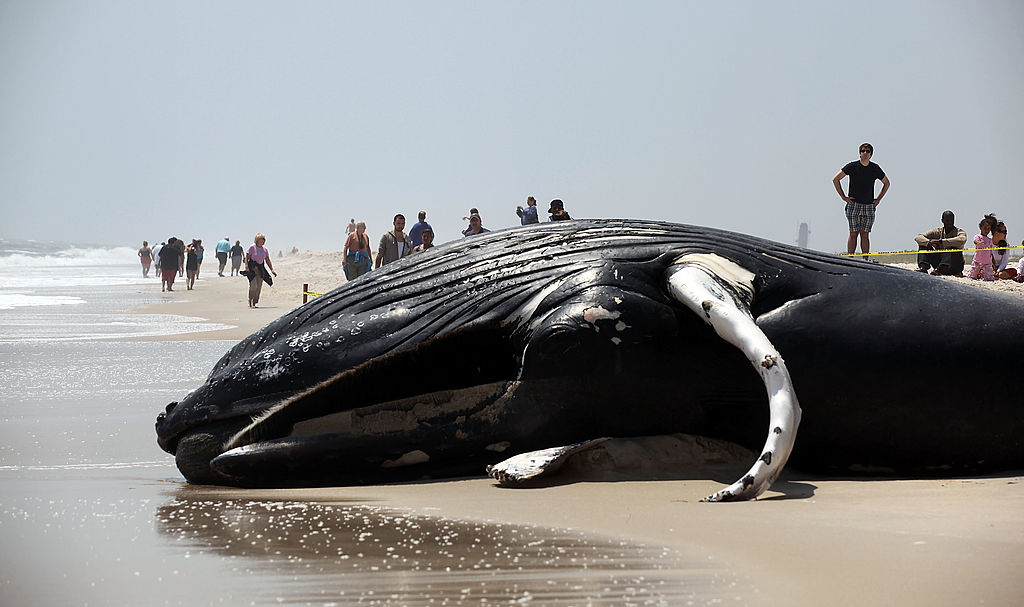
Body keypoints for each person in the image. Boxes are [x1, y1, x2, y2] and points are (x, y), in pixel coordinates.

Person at [832, 143, 891, 258]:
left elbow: (886, 183)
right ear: (859, 153)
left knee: (865, 234)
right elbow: (836, 179)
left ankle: (865, 259)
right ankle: (850, 259)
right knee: (853, 233)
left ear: (871, 154)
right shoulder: (852, 166)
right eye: (863, 151)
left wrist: (878, 199)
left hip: (869, 205)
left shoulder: (875, 168)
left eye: (867, 151)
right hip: (853, 204)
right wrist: (843, 197)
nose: (865, 153)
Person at [913, 211, 966, 276]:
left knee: (953, 248)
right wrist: (929, 242)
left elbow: (962, 240)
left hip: (954, 266)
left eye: (951, 220)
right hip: (938, 264)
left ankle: (940, 269)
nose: (949, 222)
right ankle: (923, 268)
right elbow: (918, 237)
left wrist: (941, 242)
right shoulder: (937, 232)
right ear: (942, 221)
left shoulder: (959, 231)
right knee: (923, 245)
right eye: (947, 220)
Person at [243, 233, 277, 307]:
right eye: (262, 240)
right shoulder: (252, 247)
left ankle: (255, 302)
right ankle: (250, 300)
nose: (263, 241)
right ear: (257, 240)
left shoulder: (265, 250)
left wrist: (272, 270)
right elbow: (247, 257)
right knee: (253, 285)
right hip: (252, 268)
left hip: (261, 269)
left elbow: (267, 260)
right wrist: (246, 266)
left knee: (259, 286)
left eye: (264, 240)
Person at [967, 214, 998, 281]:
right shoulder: (978, 236)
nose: (986, 230)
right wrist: (978, 243)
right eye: (985, 228)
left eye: (988, 229)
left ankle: (988, 278)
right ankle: (972, 277)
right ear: (980, 227)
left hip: (987, 261)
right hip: (977, 259)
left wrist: (993, 261)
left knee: (989, 275)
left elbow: (990, 251)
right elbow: (975, 241)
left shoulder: (990, 240)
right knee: (973, 271)